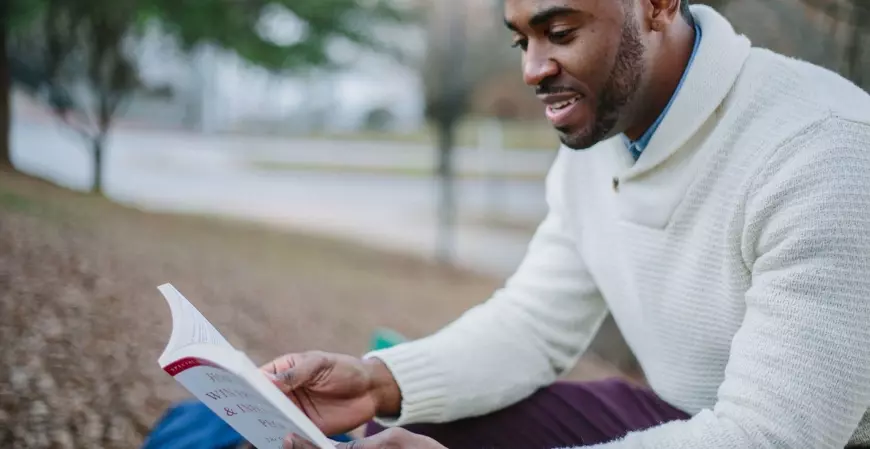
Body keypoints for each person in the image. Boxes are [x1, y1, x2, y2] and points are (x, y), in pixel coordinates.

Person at [264, 0, 870, 448]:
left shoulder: (825, 151)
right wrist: (377, 382)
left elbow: (770, 437)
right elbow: (532, 325)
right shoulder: (605, 131)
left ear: (657, 5)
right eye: (521, 40)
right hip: (684, 416)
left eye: (559, 33)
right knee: (412, 426)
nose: (532, 69)